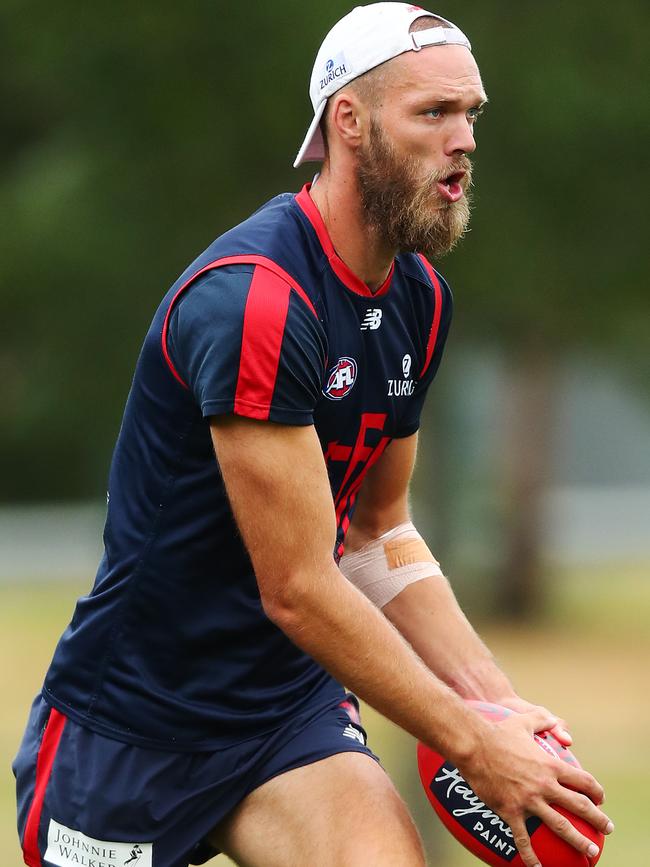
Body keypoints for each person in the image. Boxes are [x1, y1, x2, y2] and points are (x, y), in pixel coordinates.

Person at [14, 5, 613, 867]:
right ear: (349, 122)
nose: (465, 140)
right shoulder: (255, 299)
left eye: (471, 114)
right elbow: (296, 585)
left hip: (284, 712)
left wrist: (499, 709)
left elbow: (379, 536)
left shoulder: (420, 299)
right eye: (434, 113)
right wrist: (470, 743)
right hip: (133, 726)